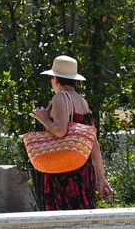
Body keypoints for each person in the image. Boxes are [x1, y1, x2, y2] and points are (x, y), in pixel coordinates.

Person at [30, 55, 113, 210]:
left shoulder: (60, 97)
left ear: (55, 78)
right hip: (82, 170)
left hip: (63, 171)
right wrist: (101, 179)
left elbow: (60, 131)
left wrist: (44, 119)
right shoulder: (83, 102)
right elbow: (94, 144)